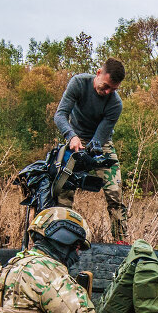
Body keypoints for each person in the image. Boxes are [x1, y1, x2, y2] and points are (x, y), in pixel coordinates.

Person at [53, 59, 128, 242]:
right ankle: (62, 239)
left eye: (113, 89)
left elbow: (98, 138)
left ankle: (121, 241)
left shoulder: (115, 104)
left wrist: (92, 151)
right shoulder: (78, 83)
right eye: (106, 86)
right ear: (98, 73)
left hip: (101, 143)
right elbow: (60, 115)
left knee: (115, 193)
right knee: (64, 190)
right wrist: (71, 136)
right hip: (75, 138)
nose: (108, 92)